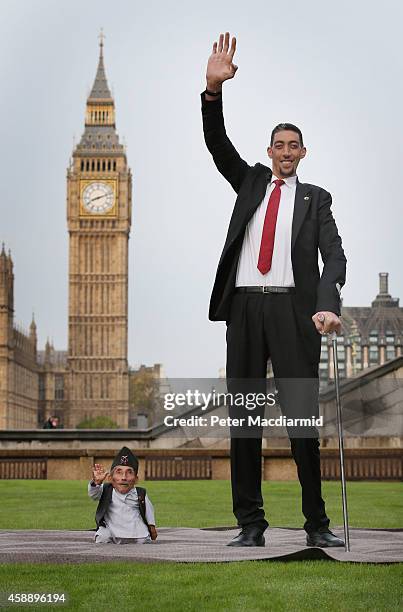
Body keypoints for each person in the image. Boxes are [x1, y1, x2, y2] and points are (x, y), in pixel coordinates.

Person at [201, 32, 346, 548]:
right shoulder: (250, 183)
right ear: (270, 151)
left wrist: (327, 306)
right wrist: (213, 91)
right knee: (244, 421)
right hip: (244, 310)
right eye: (278, 146)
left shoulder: (316, 199)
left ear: (303, 152)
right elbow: (217, 145)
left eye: (293, 146)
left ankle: (318, 524)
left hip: (292, 313)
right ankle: (251, 524)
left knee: (303, 423)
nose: (285, 153)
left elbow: (336, 257)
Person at [88, 446, 157, 544]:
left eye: (129, 473)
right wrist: (96, 483)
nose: (124, 477)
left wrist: (152, 526)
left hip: (135, 530)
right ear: (110, 478)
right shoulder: (106, 490)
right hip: (111, 529)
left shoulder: (140, 493)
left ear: (136, 479)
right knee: (103, 537)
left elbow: (149, 511)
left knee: (143, 540)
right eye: (119, 472)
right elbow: (93, 495)